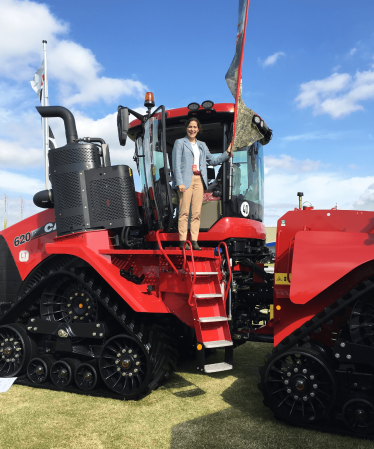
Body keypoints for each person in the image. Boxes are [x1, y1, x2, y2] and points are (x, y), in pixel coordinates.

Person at [172, 117, 232, 250]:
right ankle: (182, 241)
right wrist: (179, 182)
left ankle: (194, 241)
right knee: (184, 212)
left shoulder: (202, 145)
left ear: (198, 129)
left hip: (199, 180)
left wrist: (227, 153)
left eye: (194, 127)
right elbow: (176, 164)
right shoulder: (180, 143)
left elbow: (213, 161)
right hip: (185, 180)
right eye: (190, 127)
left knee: (196, 213)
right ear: (186, 128)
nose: (192, 129)